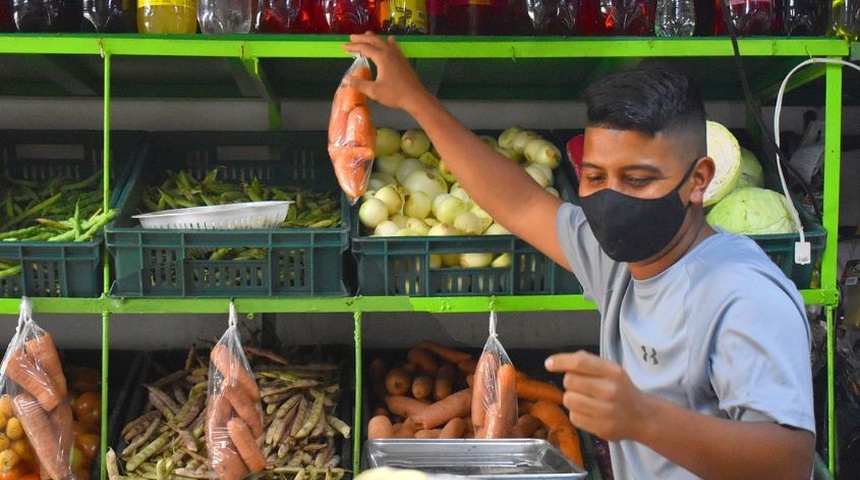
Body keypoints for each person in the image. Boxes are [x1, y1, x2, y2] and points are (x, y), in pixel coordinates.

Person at [342, 33, 816, 479]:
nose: (611, 199)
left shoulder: (744, 297)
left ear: (698, 180)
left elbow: (788, 461)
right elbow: (521, 202)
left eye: (636, 180)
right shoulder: (620, 262)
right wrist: (416, 101)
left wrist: (644, 419)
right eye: (594, 176)